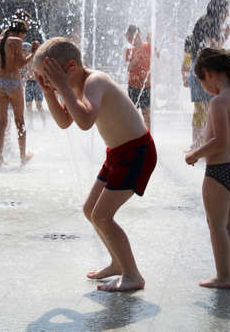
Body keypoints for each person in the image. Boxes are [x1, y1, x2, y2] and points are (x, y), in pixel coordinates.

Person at [34, 37, 157, 292]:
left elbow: (86, 120)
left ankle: (134, 275)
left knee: (103, 215)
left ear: (69, 67)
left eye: (49, 77)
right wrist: (49, 93)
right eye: (43, 79)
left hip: (137, 152)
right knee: (91, 210)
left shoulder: (95, 81)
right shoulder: (74, 86)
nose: (48, 83)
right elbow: (65, 121)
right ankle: (118, 263)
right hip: (117, 153)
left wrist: (61, 88)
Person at [185, 48, 230, 289]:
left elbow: (221, 141)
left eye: (201, 81)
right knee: (229, 223)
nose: (203, 87)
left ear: (208, 73)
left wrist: (194, 154)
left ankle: (223, 277)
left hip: (220, 173)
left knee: (216, 225)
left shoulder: (218, 102)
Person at [187, 0, 230, 149]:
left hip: (200, 68)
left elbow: (209, 48)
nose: (227, 15)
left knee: (203, 109)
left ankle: (198, 144)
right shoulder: (208, 23)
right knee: (207, 109)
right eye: (226, 11)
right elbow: (213, 49)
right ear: (219, 11)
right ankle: (201, 145)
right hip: (204, 71)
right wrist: (227, 33)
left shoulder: (204, 21)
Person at [0, 19, 39, 166]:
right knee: (20, 121)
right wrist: (33, 53)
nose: (23, 38)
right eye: (24, 34)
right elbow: (19, 64)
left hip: (0, 83)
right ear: (20, 32)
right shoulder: (16, 41)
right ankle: (22, 157)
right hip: (13, 83)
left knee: (2, 121)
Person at [125, 25, 151, 129]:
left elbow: (157, 56)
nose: (131, 41)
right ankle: (134, 135)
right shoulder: (130, 50)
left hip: (146, 86)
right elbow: (128, 68)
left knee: (146, 113)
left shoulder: (147, 47)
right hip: (133, 86)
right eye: (128, 39)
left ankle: (148, 135)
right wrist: (134, 61)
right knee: (133, 114)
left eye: (131, 38)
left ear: (138, 35)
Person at [22, 42, 45, 129]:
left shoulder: (34, 58)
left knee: (38, 105)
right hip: (29, 83)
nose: (23, 53)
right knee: (28, 105)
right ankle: (31, 124)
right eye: (23, 51)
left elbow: (32, 72)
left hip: (36, 83)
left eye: (24, 51)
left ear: (29, 50)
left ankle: (44, 123)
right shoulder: (27, 59)